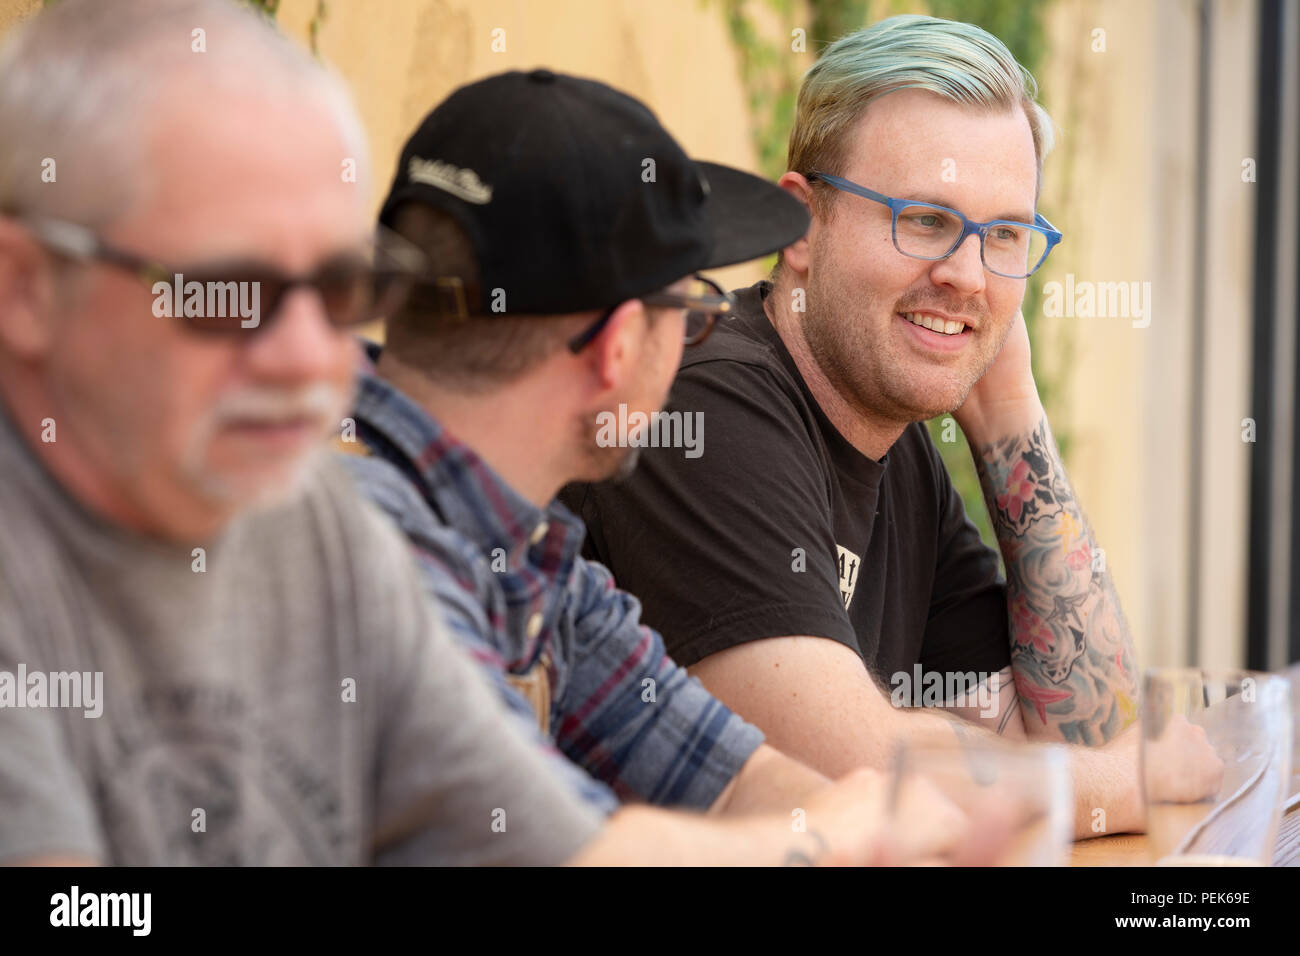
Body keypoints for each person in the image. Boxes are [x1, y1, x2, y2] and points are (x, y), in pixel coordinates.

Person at [0, 0, 962, 868]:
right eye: (234, 288)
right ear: (26, 290)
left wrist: (854, 829)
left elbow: (575, 848)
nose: (308, 359)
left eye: (342, 288)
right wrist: (853, 829)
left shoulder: (334, 536)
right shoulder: (361, 526)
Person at [563, 14, 1221, 836]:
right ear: (800, 226)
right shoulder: (704, 405)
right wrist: (1125, 785)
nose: (966, 276)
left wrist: (1011, 410)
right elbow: (852, 774)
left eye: (1004, 235)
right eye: (925, 220)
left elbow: (1083, 724)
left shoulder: (897, 446)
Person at [339, 69, 975, 862]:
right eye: (697, 310)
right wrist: (843, 830)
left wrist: (863, 821)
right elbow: (568, 857)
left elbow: (731, 776)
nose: (702, 341)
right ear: (617, 349)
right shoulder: (352, 540)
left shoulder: (536, 562)